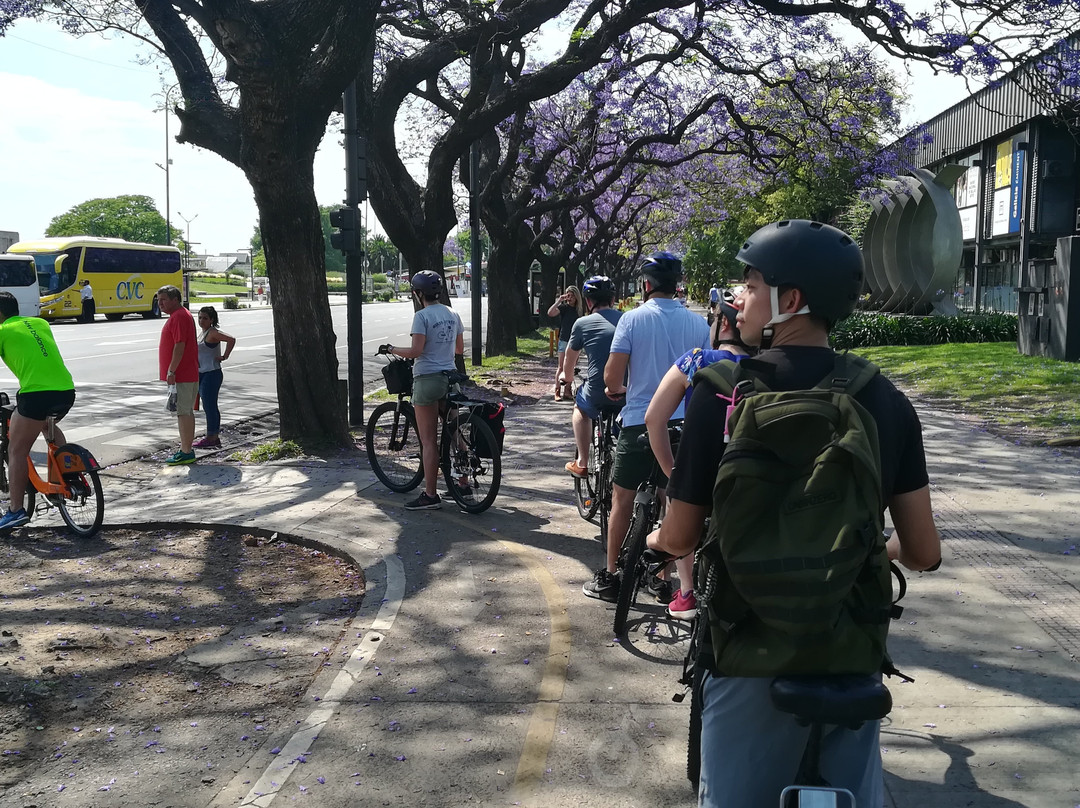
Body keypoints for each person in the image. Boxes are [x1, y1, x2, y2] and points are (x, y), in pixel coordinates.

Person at [649, 220, 941, 808]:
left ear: (791, 300)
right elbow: (923, 552)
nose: (739, 296)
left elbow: (680, 536)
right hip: (847, 652)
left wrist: (658, 538)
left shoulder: (721, 392)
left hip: (746, 648)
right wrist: (856, 549)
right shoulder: (884, 399)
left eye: (751, 283)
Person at [582, 252, 710, 602]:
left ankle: (610, 576)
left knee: (621, 500)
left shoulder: (632, 319)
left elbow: (611, 376)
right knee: (672, 501)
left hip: (639, 422)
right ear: (677, 284)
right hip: (683, 426)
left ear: (646, 284)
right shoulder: (700, 325)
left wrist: (618, 389)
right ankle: (661, 578)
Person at [642, 300, 750, 619]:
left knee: (682, 514)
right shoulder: (769, 368)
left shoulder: (697, 359)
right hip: (747, 482)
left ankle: (686, 592)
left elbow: (653, 418)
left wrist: (673, 474)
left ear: (725, 325)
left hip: (700, 470)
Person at [384, 270, 465, 510]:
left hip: (427, 380)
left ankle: (430, 495)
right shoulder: (453, 313)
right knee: (455, 432)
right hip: (451, 379)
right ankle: (463, 483)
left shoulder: (422, 316)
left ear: (418, 294)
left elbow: (416, 351)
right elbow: (459, 349)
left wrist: (393, 349)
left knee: (428, 441)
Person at [0, 291, 76, 529]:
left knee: (17, 450)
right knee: (47, 426)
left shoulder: (2, 331)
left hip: (35, 395)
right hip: (66, 390)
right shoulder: (40, 323)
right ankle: (66, 480)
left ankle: (15, 510)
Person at [559, 276, 622, 478]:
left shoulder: (582, 323)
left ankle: (583, 462)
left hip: (597, 389)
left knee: (580, 408)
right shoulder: (627, 319)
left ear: (587, 301)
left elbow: (570, 359)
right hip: (625, 390)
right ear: (613, 300)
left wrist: (566, 378)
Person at [157, 285, 199, 465]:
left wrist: (172, 370)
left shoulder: (179, 316)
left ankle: (186, 451)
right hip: (185, 373)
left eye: (163, 299)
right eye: (158, 300)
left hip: (182, 374)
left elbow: (179, 345)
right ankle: (187, 448)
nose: (160, 304)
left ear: (175, 299)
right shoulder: (180, 315)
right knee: (185, 412)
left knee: (183, 413)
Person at [192, 306, 236, 449]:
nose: (201, 321)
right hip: (202, 373)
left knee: (210, 406)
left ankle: (213, 437)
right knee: (207, 405)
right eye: (199, 317)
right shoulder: (202, 333)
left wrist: (224, 356)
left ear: (212, 319)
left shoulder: (213, 333)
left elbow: (231, 339)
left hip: (212, 373)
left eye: (205, 318)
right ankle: (211, 436)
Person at [547, 286, 582, 401]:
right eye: (568, 295)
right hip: (564, 339)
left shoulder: (579, 310)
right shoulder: (564, 307)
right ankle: (557, 391)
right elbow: (550, 313)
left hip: (575, 341)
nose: (569, 298)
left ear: (576, 297)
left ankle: (568, 390)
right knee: (561, 367)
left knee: (571, 367)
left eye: (572, 295)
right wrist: (559, 300)